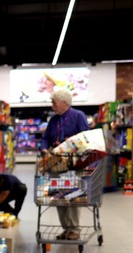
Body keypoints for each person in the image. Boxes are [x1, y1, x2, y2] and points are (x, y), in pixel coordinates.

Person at [42, 89, 90, 240]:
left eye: (54, 103)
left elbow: (85, 138)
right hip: (56, 163)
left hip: (73, 163)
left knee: (73, 195)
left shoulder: (78, 116)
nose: (52, 106)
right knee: (59, 196)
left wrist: (69, 143)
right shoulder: (54, 120)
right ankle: (66, 228)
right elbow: (45, 137)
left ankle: (74, 228)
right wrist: (44, 148)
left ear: (64, 103)